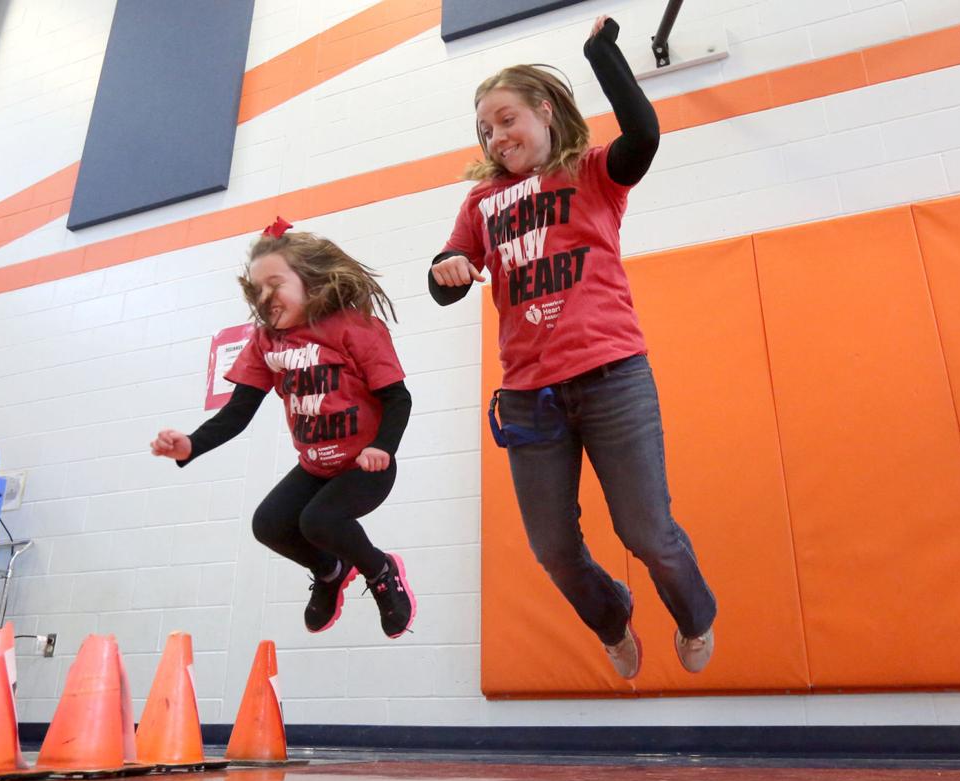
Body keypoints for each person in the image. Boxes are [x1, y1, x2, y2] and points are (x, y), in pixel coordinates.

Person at [428, 16, 716, 678]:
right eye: (485, 130)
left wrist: (601, 53)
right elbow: (451, 268)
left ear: (546, 111)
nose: (497, 137)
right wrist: (443, 270)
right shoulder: (481, 204)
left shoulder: (589, 175)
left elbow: (643, 135)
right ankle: (611, 614)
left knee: (648, 533)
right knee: (553, 548)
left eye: (506, 119)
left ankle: (695, 613)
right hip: (531, 399)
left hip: (613, 378)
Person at [152, 218, 416, 639]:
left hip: (365, 466)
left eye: (275, 283)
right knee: (269, 524)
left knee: (318, 520)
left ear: (309, 279)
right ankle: (330, 571)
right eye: (257, 290)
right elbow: (238, 413)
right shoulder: (265, 342)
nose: (266, 297)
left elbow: (397, 397)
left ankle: (381, 571)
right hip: (315, 467)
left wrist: (383, 446)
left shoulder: (355, 328)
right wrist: (190, 445)